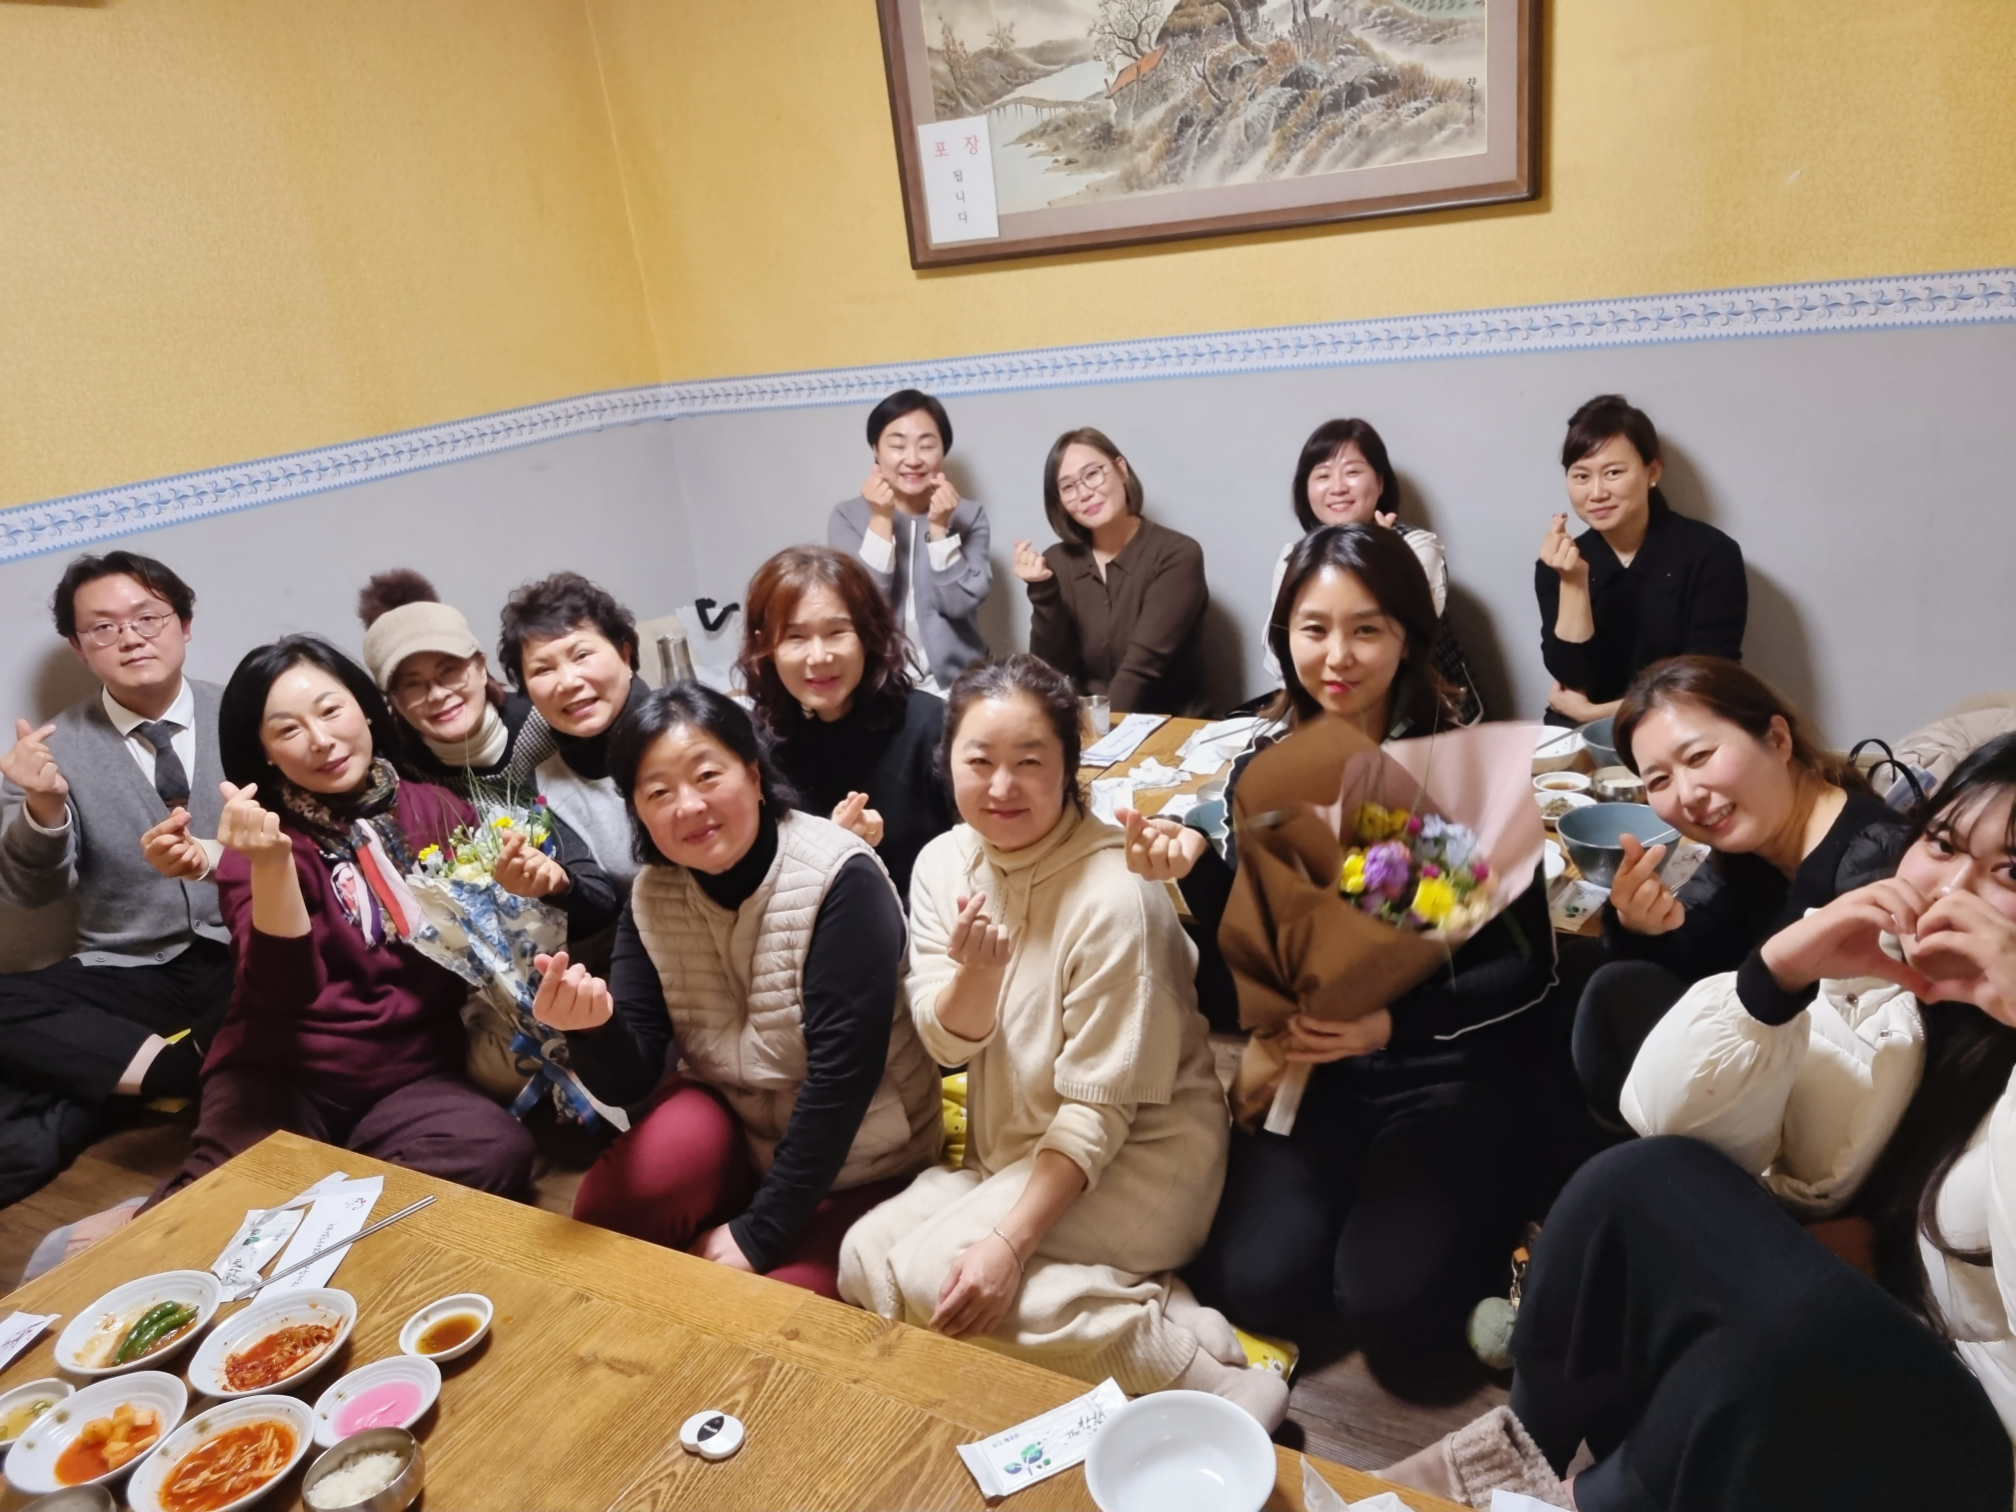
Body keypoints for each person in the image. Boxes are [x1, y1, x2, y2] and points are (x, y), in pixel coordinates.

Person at [1383, 735, 2016, 1511]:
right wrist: (1772, 978)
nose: (1952, 890)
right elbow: (1671, 1125)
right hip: (1846, 1322)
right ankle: (1512, 1465)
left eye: (2011, 871)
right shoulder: (1877, 960)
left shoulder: (1847, 847)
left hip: (1971, 1439)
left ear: (1776, 738)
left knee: (1787, 1334)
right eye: (1942, 843)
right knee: (1636, 1176)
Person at [1119, 525, 1556, 1394]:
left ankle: (1507, 1215)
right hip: (1317, 1075)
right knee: (1254, 1283)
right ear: (1286, 635)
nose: (1337, 655)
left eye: (1367, 630)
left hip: (1440, 1072)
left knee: (1397, 1319)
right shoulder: (1267, 771)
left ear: (1409, 637)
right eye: (1314, 629)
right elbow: (1264, 960)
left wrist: (1391, 1021)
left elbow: (1530, 972)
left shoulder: (1455, 775)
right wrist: (1197, 873)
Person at [839, 655, 1285, 1428]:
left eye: (1029, 762)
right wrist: (977, 977)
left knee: (935, 1277)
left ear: (1069, 768)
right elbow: (945, 1045)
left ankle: (1212, 1384)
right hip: (1011, 1149)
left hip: (1142, 1155)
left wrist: (1008, 1247)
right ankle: (1142, 1296)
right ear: (948, 763)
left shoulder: (1117, 893)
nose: (1001, 786)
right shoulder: (944, 862)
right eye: (980, 761)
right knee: (862, 1258)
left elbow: (1098, 1113)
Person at [525, 684, 941, 1298]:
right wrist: (591, 1029)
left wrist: (758, 1233)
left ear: (753, 774)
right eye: (658, 793)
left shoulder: (840, 878)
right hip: (739, 1125)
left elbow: (842, 1082)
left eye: (707, 776)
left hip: (865, 1148)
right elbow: (631, 1080)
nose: (689, 806)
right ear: (636, 810)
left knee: (768, 1306)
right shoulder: (653, 894)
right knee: (609, 1212)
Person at [150, 636, 537, 1201]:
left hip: (414, 1075)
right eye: (288, 729)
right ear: (264, 752)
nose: (321, 739)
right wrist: (274, 866)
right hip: (284, 1074)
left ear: (367, 709)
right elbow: (281, 990)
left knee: (494, 1151)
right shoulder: (262, 843)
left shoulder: (439, 810)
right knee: (223, 1204)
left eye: (330, 710)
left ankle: (329, 1198)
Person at [1572, 655, 1909, 1122]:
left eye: (1699, 757)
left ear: (1777, 739)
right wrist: (1639, 925)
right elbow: (1694, 956)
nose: (1688, 794)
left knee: (1612, 992)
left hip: (1823, 1110)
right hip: (1752, 1074)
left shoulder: (1875, 861)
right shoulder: (1749, 845)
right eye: (1660, 780)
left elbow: (1856, 1051)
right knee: (1587, 971)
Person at [0, 552, 233, 1206]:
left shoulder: (247, 713)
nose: (130, 637)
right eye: (103, 627)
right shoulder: (51, 749)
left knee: (299, 985)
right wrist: (44, 807)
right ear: (79, 648)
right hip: (129, 965)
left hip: (242, 947)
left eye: (147, 617)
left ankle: (118, 1082)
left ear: (184, 624)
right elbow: (30, 892)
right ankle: (182, 1072)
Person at [358, 569, 618, 947]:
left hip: (601, 926)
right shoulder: (403, 780)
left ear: (481, 668)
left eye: (450, 672)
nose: (437, 694)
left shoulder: (550, 724)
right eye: (413, 684)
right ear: (394, 702)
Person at [739, 546, 955, 900]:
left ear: (867, 635)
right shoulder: (757, 748)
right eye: (795, 637)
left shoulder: (930, 726)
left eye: (836, 632)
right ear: (766, 647)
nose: (819, 656)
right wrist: (832, 849)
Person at [1534, 394, 1746, 728]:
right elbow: (1571, 678)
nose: (1597, 493)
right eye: (1581, 476)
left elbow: (1709, 682)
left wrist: (1596, 713)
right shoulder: (1560, 562)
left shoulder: (1712, 553)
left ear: (1652, 471)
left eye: (1613, 472)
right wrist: (1573, 582)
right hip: (1581, 728)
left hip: (1682, 721)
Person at [1265, 418, 1482, 723]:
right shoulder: (1294, 558)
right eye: (1323, 475)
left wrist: (1383, 557)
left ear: (1380, 483)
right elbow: (1280, 652)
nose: (1338, 487)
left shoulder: (1418, 547)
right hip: (1332, 713)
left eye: (1352, 472)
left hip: (1427, 714)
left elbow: (1405, 643)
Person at [1013, 427, 1211, 717]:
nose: (1084, 493)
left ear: (1121, 470)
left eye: (1092, 474)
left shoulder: (1178, 554)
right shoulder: (1057, 560)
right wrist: (1042, 591)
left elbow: (1140, 671)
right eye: (1068, 487)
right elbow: (1051, 672)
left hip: (1171, 726)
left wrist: (1098, 734)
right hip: (1089, 727)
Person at [496, 572, 648, 926]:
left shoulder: (694, 728)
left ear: (625, 655)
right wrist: (559, 884)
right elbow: (602, 905)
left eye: (581, 655)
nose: (567, 682)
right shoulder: (546, 784)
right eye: (543, 669)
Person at [827, 389, 992, 691]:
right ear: (876, 450)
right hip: (874, 687)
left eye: (926, 445)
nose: (913, 459)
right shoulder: (846, 517)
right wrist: (881, 517)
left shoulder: (970, 516)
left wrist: (940, 529)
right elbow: (861, 610)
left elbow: (957, 605)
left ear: (942, 452)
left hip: (955, 688)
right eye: (897, 445)